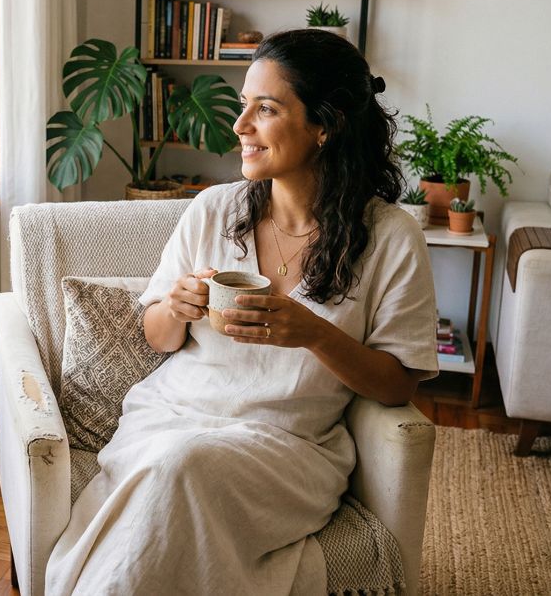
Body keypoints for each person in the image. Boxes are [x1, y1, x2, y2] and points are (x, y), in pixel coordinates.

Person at [45, 29, 439, 595]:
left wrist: (313, 334)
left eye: (267, 108)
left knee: (182, 468)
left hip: (288, 444)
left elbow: (398, 384)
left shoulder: (391, 239)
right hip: (168, 418)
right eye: (243, 104)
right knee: (175, 462)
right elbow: (157, 337)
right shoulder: (212, 210)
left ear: (325, 125)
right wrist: (177, 307)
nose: (240, 124)